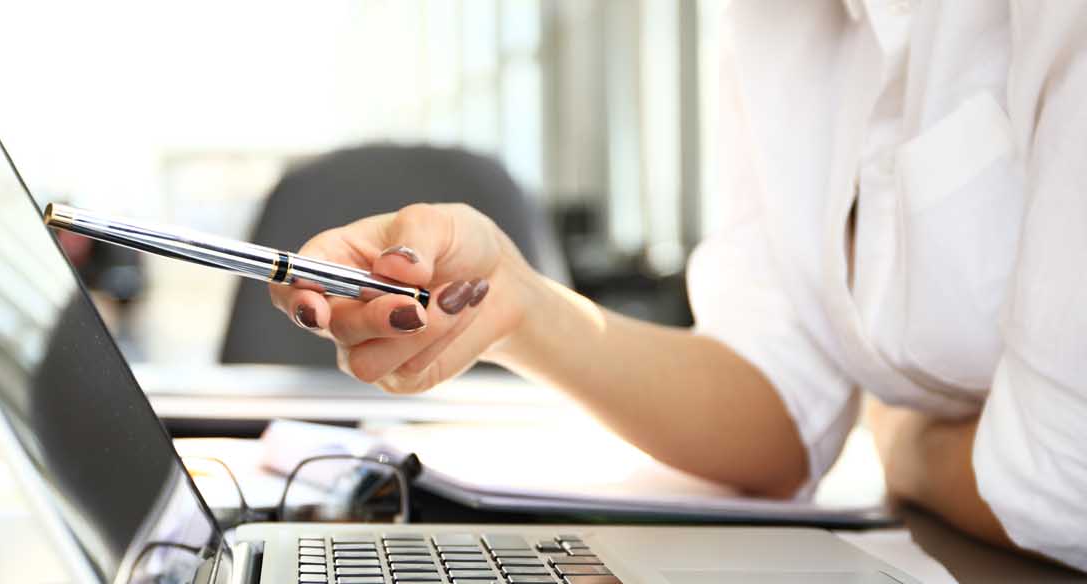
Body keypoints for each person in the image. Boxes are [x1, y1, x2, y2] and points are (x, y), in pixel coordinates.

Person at [267, 0, 1087, 572]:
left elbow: (1066, 483)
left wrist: (905, 447)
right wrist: (515, 304)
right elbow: (779, 410)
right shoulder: (771, 20)